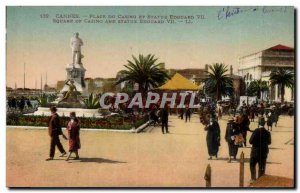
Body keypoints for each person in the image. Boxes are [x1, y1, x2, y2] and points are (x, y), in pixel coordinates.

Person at [249, 117, 271, 183]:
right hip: (263, 152)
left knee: (252, 165)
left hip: (255, 152)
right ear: (264, 124)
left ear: (258, 123)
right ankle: (260, 180)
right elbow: (269, 142)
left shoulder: (256, 131)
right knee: (261, 167)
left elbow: (250, 141)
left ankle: (253, 179)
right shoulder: (267, 132)